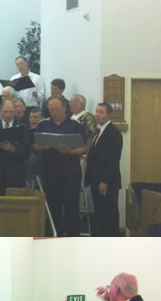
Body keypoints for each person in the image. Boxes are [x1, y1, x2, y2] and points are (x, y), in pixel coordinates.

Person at [33, 96, 86, 236]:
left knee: (71, 207)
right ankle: (54, 237)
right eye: (51, 109)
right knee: (52, 207)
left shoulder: (75, 125)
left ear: (64, 108)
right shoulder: (43, 125)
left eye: (56, 109)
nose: (54, 112)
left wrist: (70, 151)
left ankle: (73, 238)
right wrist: (43, 147)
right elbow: (36, 147)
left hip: (69, 172)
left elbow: (83, 148)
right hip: (49, 171)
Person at [84, 102, 123, 236]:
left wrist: (104, 180)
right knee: (100, 213)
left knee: (109, 213)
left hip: (106, 182)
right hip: (95, 181)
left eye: (101, 112)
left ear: (109, 115)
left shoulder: (113, 132)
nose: (97, 115)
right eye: (96, 111)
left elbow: (112, 159)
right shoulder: (98, 131)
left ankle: (112, 239)